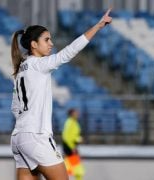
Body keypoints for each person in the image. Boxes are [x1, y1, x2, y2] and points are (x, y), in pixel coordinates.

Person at [10, 8, 112, 180]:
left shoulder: (21, 68)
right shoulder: (38, 64)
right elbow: (67, 53)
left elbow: (14, 107)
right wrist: (98, 26)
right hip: (37, 136)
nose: (51, 43)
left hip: (19, 137)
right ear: (34, 44)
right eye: (46, 39)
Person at [62, 108, 84, 180]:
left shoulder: (74, 122)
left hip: (72, 147)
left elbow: (73, 135)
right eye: (76, 112)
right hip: (70, 148)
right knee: (74, 169)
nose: (77, 114)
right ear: (71, 114)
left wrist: (78, 139)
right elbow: (66, 137)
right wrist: (72, 147)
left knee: (74, 169)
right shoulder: (70, 122)